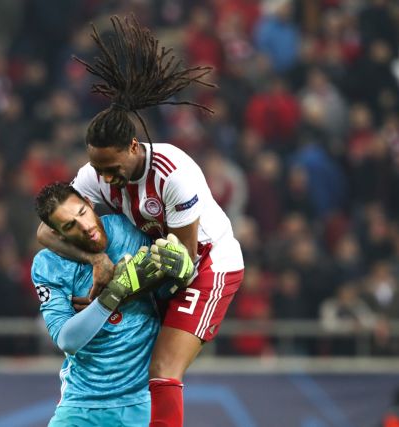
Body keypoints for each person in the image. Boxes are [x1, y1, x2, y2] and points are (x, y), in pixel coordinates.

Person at [37, 15, 244, 426]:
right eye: (98, 169)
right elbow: (47, 231)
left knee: (163, 369)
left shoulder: (173, 175)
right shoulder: (95, 175)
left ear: (134, 147)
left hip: (207, 266)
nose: (104, 178)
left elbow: (182, 263)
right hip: (156, 263)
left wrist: (124, 286)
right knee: (141, 371)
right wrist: (98, 261)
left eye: (111, 168)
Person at [32, 182, 170, 426]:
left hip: (140, 403)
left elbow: (166, 291)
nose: (85, 227)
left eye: (82, 213)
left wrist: (181, 273)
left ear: (89, 202)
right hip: (79, 405)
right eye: (70, 226)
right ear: (57, 234)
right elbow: (67, 340)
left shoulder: (129, 230)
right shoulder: (48, 265)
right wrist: (113, 294)